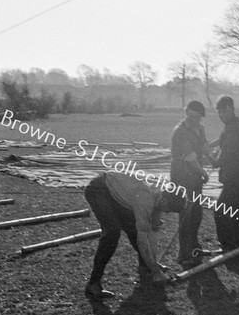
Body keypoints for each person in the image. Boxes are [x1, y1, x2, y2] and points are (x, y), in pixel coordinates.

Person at [84, 171, 185, 299]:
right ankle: (93, 284)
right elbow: (142, 240)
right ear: (164, 201)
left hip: (118, 195)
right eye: (168, 210)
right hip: (99, 189)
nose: (166, 213)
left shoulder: (160, 194)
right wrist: (157, 272)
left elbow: (151, 229)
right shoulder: (146, 200)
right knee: (112, 233)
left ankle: (146, 267)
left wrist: (154, 265)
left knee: (134, 230)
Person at [170, 100, 214, 268]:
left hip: (195, 177)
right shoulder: (180, 131)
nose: (193, 120)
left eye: (196, 117)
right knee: (186, 215)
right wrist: (204, 172)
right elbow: (190, 157)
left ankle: (194, 248)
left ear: (201, 117)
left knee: (196, 213)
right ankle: (184, 254)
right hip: (182, 177)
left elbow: (203, 146)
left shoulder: (200, 127)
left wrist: (212, 159)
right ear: (186, 113)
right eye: (190, 116)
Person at [212, 95, 239, 251]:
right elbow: (222, 141)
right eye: (220, 112)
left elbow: (223, 157)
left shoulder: (233, 128)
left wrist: (210, 157)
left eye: (225, 111)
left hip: (233, 177)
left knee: (220, 209)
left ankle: (227, 244)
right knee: (237, 209)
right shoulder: (232, 125)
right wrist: (209, 145)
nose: (222, 115)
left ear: (232, 110)